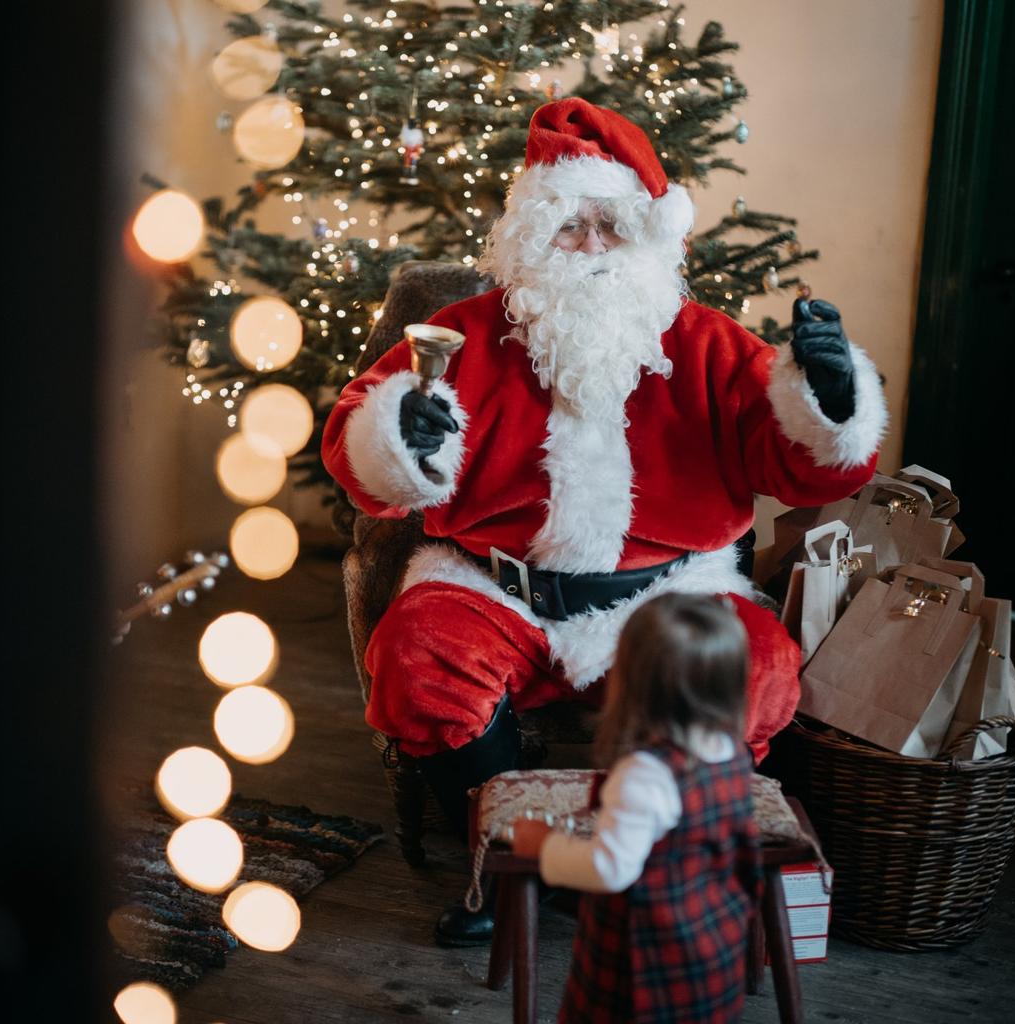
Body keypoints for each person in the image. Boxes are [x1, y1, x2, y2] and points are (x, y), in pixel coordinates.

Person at [321, 97, 886, 944]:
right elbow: (360, 440)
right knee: (416, 652)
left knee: (757, 665)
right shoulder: (464, 334)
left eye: (610, 228)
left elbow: (802, 463)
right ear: (529, 240)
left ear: (648, 238)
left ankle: (658, 856)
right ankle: (510, 867)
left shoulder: (707, 344)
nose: (589, 248)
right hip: (495, 591)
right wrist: (403, 435)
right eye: (567, 228)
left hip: (666, 595)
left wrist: (831, 400)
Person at [511, 594, 761, 1024]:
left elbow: (611, 867)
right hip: (711, 939)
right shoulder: (729, 750)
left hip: (644, 961)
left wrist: (545, 848)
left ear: (632, 682)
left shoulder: (646, 775)